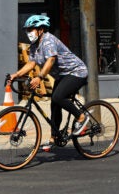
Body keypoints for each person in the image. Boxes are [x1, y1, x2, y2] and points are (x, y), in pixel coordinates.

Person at [10, 14, 89, 151]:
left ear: (40, 29)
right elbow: (31, 63)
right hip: (62, 75)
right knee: (54, 104)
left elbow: (51, 60)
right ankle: (55, 137)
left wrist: (39, 77)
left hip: (76, 72)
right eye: (27, 30)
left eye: (31, 29)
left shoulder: (48, 41)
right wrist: (16, 75)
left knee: (58, 97)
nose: (28, 33)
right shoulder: (35, 45)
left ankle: (81, 117)